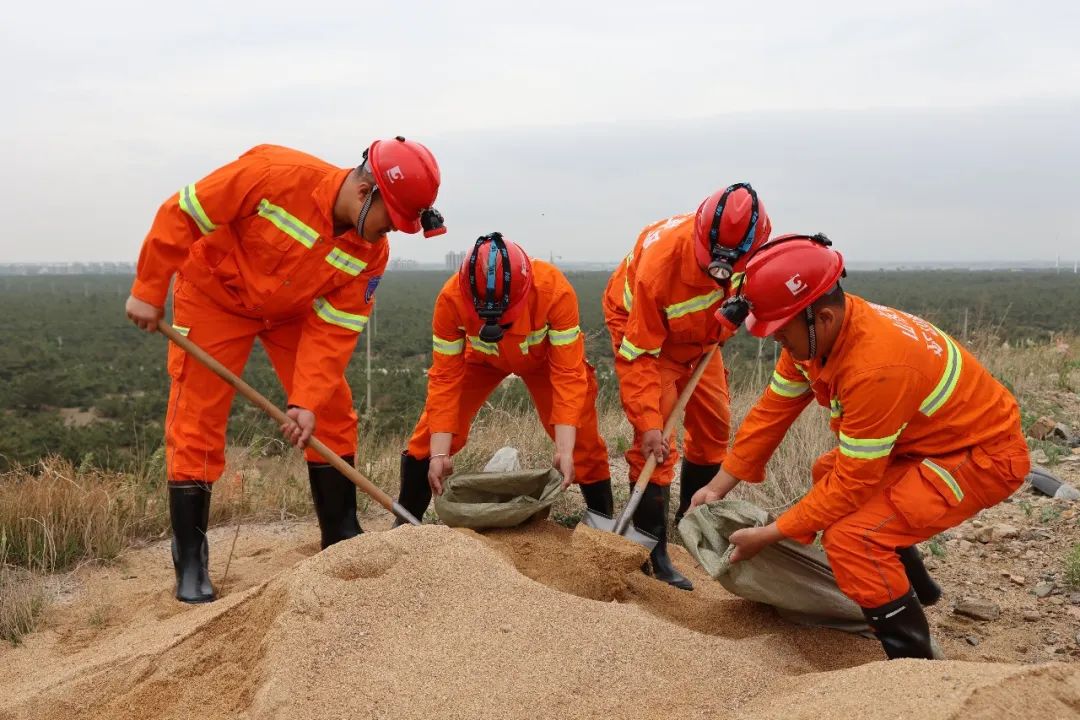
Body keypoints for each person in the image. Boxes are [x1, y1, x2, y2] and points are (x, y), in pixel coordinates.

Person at [125, 137, 445, 603]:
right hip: (215, 295)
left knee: (332, 410)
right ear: (364, 193)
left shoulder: (369, 250)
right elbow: (183, 212)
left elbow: (336, 328)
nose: (389, 233)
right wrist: (149, 288)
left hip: (292, 312)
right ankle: (190, 556)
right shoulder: (273, 173)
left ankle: (340, 534)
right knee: (198, 417)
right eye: (390, 221)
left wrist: (306, 402)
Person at [690, 233, 1030, 658]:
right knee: (824, 476)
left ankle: (916, 663)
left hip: (983, 457)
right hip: (927, 442)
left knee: (854, 539)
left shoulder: (876, 368)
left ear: (824, 318)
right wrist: (720, 485)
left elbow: (853, 483)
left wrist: (771, 535)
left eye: (780, 332)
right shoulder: (817, 332)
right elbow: (772, 411)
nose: (778, 342)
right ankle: (917, 591)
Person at [602, 184, 771, 590]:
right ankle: (653, 551)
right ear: (700, 237)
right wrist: (649, 423)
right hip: (647, 341)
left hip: (702, 342)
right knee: (657, 445)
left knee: (714, 426)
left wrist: (729, 322)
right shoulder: (659, 270)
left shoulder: (759, 256)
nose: (719, 268)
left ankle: (690, 524)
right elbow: (638, 354)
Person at [397, 232, 612, 522]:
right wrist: (437, 455)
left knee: (581, 438)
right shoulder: (450, 300)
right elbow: (445, 379)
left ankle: (603, 521)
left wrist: (564, 450)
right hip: (482, 360)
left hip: (543, 361)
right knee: (428, 436)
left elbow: (568, 374)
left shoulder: (554, 291)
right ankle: (405, 522)